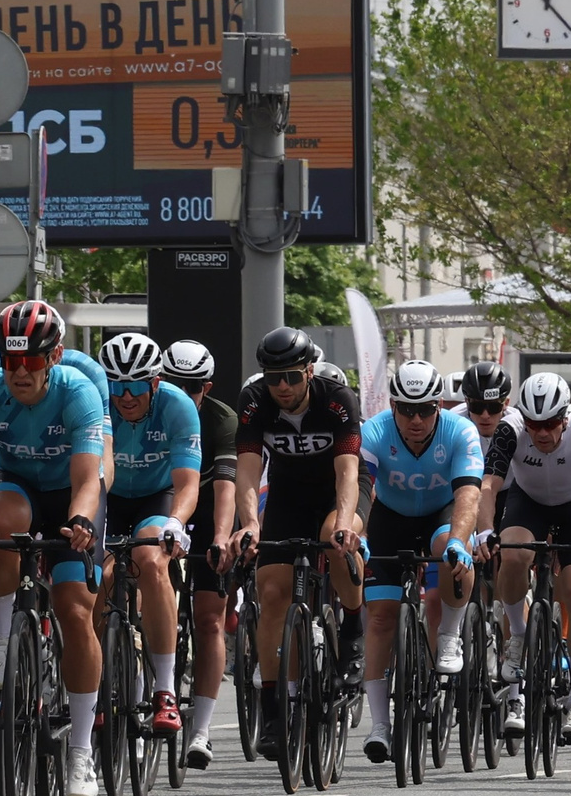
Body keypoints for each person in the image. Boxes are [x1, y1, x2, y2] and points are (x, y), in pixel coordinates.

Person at [0, 299, 111, 796]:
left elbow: (89, 478)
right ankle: (3, 643)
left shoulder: (79, 392)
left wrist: (82, 519)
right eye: (9, 361)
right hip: (18, 489)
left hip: (70, 497)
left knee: (74, 609)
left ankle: (83, 752)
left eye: (30, 361)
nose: (18, 372)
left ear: (54, 357)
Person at [229, 326, 364, 764]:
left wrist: (345, 524)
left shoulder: (337, 400)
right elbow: (247, 473)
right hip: (288, 497)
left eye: (290, 376)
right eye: (273, 378)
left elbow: (348, 473)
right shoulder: (254, 401)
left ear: (309, 371)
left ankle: (353, 625)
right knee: (271, 592)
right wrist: (250, 524)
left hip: (337, 494)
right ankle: (274, 708)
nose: (282, 387)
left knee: (333, 539)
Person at [357, 359, 483, 762]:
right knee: (379, 617)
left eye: (425, 410)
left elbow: (468, 493)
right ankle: (379, 725)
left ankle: (448, 633)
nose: (416, 419)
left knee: (451, 550)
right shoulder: (374, 431)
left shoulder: (460, 431)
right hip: (388, 519)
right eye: (407, 410)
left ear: (439, 406)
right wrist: (358, 533)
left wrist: (461, 542)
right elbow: (362, 489)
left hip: (440, 515)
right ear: (393, 405)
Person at [481, 372, 571, 745]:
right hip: (530, 504)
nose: (542, 433)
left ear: (565, 418)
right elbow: (489, 485)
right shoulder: (509, 430)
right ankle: (518, 638)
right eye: (534, 424)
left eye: (551, 424)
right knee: (514, 553)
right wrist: (483, 529)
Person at [97, 332, 202, 738]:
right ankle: (99, 678)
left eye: (137, 386)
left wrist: (176, 521)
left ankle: (164, 689)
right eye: (117, 386)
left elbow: (188, 482)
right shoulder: (98, 403)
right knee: (99, 579)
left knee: (153, 562)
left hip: (157, 498)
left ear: (155, 383)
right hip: (108, 496)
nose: (126, 396)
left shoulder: (177, 407)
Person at [159, 340, 236, 768]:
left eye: (192, 388)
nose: (182, 394)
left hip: (207, 508)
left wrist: (222, 537)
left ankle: (202, 730)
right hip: (162, 499)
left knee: (209, 618)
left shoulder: (223, 420)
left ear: (206, 388)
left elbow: (226, 486)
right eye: (172, 384)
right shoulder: (151, 409)